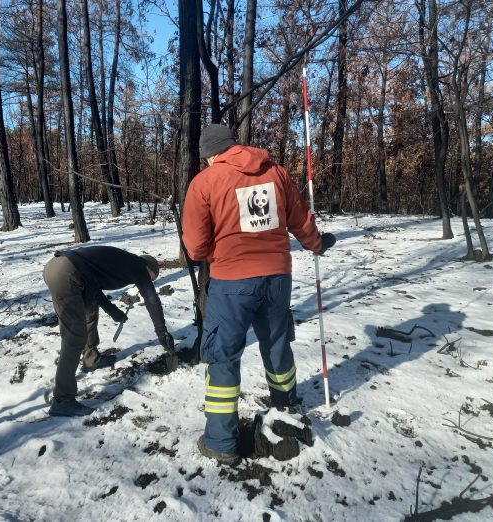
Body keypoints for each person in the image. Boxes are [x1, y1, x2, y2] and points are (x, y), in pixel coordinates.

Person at [182, 124, 336, 465]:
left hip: (231, 282)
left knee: (223, 356)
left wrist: (212, 252)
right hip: (277, 278)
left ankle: (221, 441)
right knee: (277, 343)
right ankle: (286, 408)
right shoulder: (275, 172)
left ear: (210, 154)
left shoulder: (204, 183)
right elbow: (299, 218)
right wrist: (317, 243)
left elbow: (195, 248)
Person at [43, 246, 176, 417]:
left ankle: (91, 359)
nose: (147, 282)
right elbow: (151, 299)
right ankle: (62, 400)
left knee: (90, 311)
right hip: (66, 273)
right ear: (149, 269)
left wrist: (113, 311)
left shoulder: (123, 263)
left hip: (61, 267)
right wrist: (161, 331)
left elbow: (94, 289)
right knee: (74, 337)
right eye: (151, 278)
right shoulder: (138, 266)